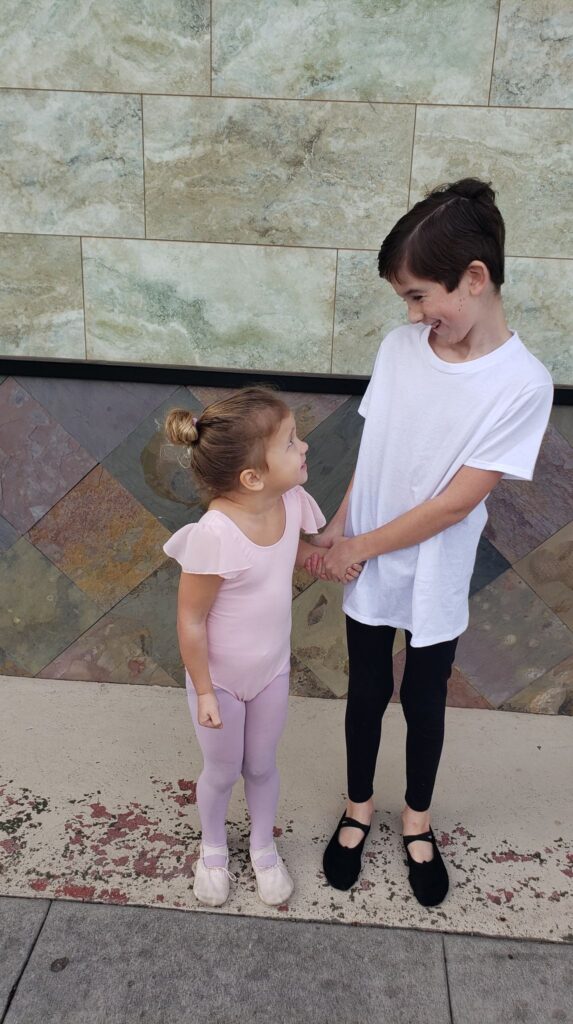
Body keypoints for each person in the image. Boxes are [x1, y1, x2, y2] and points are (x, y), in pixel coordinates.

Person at [306, 178, 553, 906]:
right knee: (365, 690)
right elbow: (375, 450)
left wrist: (360, 546)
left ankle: (416, 820)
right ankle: (358, 809)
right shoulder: (398, 348)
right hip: (370, 560)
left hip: (433, 568)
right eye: (405, 302)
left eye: (420, 297)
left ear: (473, 279)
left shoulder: (521, 384)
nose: (414, 315)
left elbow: (455, 503)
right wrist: (338, 528)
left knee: (422, 697)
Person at [163, 388, 361, 908]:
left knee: (263, 766)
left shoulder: (290, 502)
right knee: (223, 770)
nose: (305, 447)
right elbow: (191, 619)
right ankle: (212, 851)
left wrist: (337, 553)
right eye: (291, 441)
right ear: (252, 477)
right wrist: (204, 690)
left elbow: (295, 551)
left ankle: (263, 847)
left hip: (271, 671)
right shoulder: (213, 534)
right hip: (222, 681)